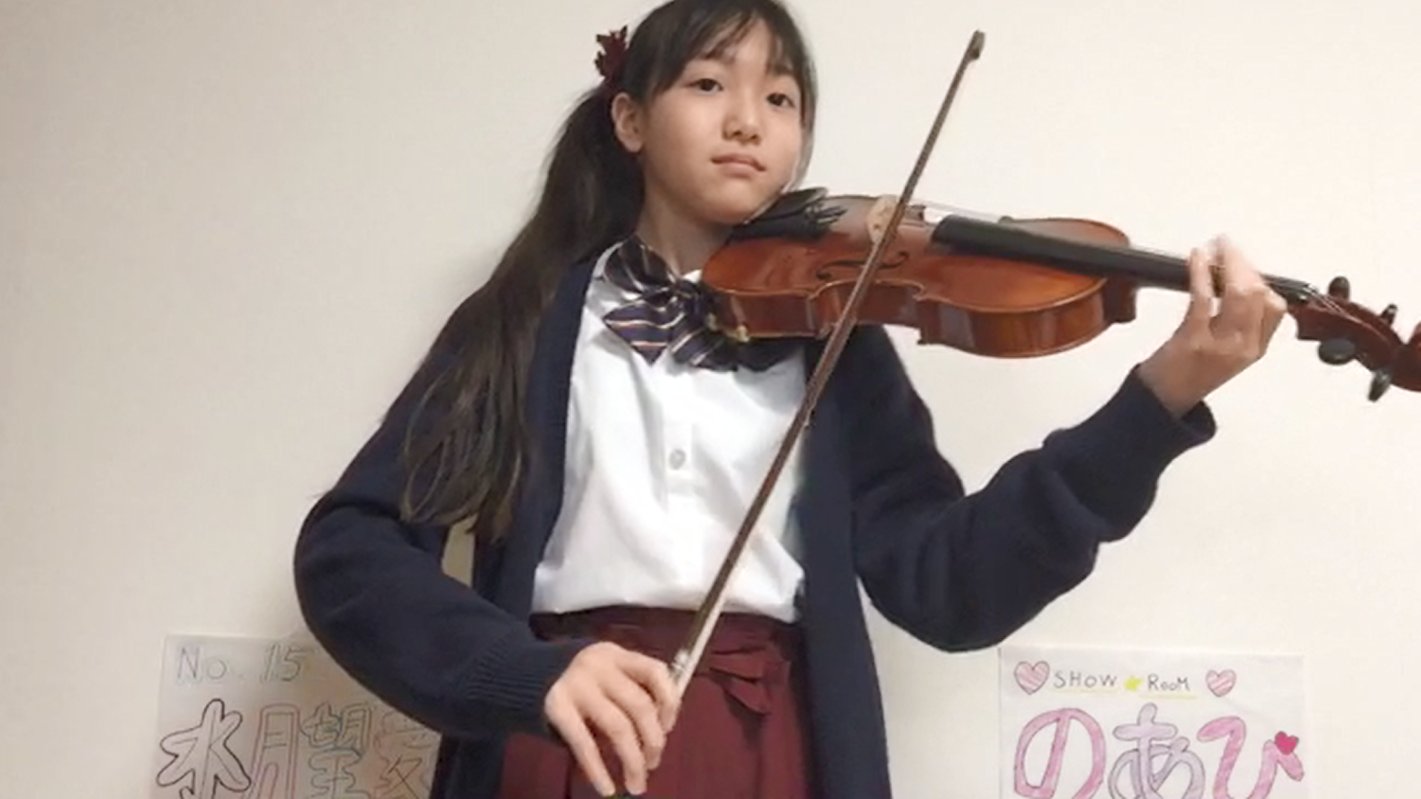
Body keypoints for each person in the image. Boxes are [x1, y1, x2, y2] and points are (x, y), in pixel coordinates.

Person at [292, 1, 1288, 797]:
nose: (747, 121)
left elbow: (950, 585)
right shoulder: (526, 317)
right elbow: (351, 548)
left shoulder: (835, 336)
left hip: (773, 750)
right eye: (707, 84)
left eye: (780, 97)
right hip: (561, 742)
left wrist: (1156, 402)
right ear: (630, 120)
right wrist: (521, 671)